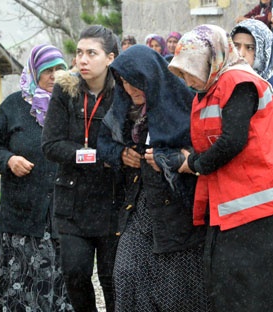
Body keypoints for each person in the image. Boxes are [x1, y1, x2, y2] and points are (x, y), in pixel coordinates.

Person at [169, 24, 273, 311]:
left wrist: (195, 164)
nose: (186, 79)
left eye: (190, 69)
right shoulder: (210, 87)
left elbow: (232, 141)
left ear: (211, 59)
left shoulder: (237, 82)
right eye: (182, 72)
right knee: (240, 286)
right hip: (245, 201)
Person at [97, 44, 210, 312]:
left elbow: (203, 152)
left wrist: (171, 159)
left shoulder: (181, 102)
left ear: (151, 77)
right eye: (124, 82)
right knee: (126, 276)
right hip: (138, 207)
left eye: (136, 82)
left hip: (178, 211)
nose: (130, 89)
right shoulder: (123, 109)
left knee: (177, 292)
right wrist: (120, 153)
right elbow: (102, 143)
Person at [0, 44, 73, 312]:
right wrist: (9, 160)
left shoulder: (72, 104)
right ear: (35, 72)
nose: (54, 76)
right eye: (47, 70)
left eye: (59, 69)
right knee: (20, 286)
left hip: (62, 211)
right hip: (21, 215)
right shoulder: (13, 105)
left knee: (60, 283)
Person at [41, 25, 122, 312]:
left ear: (110, 57)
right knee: (75, 274)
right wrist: (87, 155)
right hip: (73, 201)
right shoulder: (66, 90)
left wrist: (108, 156)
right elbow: (50, 145)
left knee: (113, 279)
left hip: (113, 199)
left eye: (91, 53)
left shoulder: (122, 91)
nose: (82, 60)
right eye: (78, 53)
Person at [231, 18, 273, 139]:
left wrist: (265, 146)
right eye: (236, 46)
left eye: (250, 48)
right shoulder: (225, 79)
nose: (241, 53)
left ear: (263, 50)